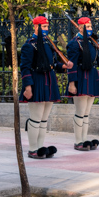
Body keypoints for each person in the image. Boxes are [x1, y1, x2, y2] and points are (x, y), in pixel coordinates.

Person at [19, 15, 73, 159]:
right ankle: (32, 149)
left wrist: (64, 66)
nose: (46, 29)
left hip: (49, 81)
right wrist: (28, 87)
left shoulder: (48, 45)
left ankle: (40, 147)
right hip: (37, 81)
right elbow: (25, 67)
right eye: (44, 27)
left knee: (44, 119)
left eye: (47, 27)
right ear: (36, 27)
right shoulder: (29, 45)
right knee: (35, 118)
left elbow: (53, 64)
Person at [65, 17, 99, 151]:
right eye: (87, 27)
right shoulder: (74, 44)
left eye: (90, 26)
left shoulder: (90, 42)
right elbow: (72, 65)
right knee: (80, 112)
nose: (89, 29)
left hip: (92, 77)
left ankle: (84, 139)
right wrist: (72, 84)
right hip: (81, 78)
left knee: (87, 113)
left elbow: (97, 61)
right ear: (79, 27)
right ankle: (78, 141)